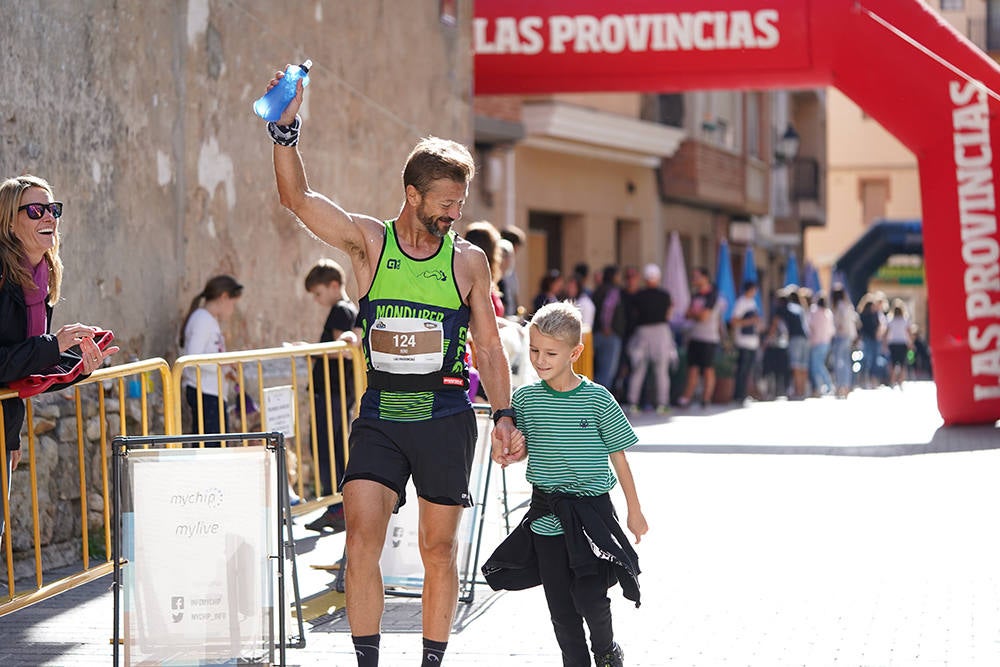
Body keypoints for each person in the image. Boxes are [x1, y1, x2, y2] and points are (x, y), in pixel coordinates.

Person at [265, 66, 518, 667]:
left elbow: (486, 347)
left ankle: (431, 659)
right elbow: (297, 199)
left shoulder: (469, 263)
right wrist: (284, 133)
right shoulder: (370, 243)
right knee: (360, 545)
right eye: (446, 203)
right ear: (413, 196)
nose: (454, 212)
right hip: (380, 415)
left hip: (447, 414)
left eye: (461, 202)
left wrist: (507, 415)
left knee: (437, 551)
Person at [482, 301, 646, 667]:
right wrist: (507, 453)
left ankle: (606, 650)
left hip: (592, 513)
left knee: (590, 596)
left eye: (550, 353)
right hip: (546, 515)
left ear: (575, 352)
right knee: (560, 606)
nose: (540, 360)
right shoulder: (524, 399)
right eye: (534, 350)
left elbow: (620, 456)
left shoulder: (598, 399)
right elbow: (520, 450)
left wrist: (634, 511)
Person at [0, 175, 119, 532]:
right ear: (9, 221)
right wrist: (55, 344)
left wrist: (81, 364)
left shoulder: (42, 276)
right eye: (35, 211)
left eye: (53, 209)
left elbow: (23, 370)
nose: (48, 218)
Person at [303, 259, 359, 534]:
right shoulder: (348, 310)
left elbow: (341, 350)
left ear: (334, 285)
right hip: (336, 391)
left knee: (325, 448)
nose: (316, 300)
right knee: (332, 446)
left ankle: (336, 507)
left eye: (317, 293)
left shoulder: (340, 310)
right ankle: (336, 506)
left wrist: (309, 350)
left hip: (332, 390)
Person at [179, 274, 243, 447]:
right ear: (223, 297)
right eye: (233, 303)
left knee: (217, 448)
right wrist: (222, 364)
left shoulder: (209, 320)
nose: (232, 310)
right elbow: (192, 358)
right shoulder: (202, 319)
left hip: (212, 393)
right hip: (205, 394)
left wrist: (226, 370)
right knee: (211, 450)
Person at [624, 263, 674, 415]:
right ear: (658, 278)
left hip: (642, 332)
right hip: (661, 332)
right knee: (662, 370)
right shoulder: (665, 295)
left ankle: (633, 403)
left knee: (638, 369)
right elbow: (669, 315)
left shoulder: (638, 295)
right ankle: (662, 404)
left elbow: (633, 315)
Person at [679, 267, 724, 408]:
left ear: (705, 278)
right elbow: (686, 314)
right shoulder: (695, 295)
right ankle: (687, 398)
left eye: (697, 276)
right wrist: (695, 315)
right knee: (692, 368)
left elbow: (704, 317)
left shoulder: (713, 295)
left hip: (709, 338)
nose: (694, 279)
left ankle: (706, 399)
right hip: (694, 336)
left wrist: (694, 314)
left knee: (708, 369)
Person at [591, 265, 626, 392]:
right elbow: (608, 308)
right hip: (609, 336)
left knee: (597, 370)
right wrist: (606, 326)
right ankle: (600, 405)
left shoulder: (598, 290)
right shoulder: (613, 290)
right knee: (606, 372)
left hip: (596, 335)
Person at [730, 280, 761, 404]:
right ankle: (738, 395)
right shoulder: (741, 302)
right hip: (743, 341)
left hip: (753, 341)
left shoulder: (752, 302)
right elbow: (734, 321)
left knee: (748, 370)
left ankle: (744, 394)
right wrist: (750, 321)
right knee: (742, 370)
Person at [830, 284, 857, 398]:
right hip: (849, 336)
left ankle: (840, 386)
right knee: (846, 362)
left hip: (841, 336)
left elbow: (840, 323)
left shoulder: (839, 306)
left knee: (838, 362)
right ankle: (846, 386)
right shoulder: (847, 305)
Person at [807, 293, 835, 396]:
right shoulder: (828, 313)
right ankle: (825, 385)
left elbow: (809, 326)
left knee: (816, 366)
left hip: (816, 342)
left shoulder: (814, 311)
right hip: (826, 342)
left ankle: (821, 387)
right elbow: (832, 330)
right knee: (820, 364)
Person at [883, 301, 913, 388]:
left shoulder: (890, 320)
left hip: (893, 343)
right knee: (903, 364)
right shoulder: (905, 320)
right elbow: (909, 332)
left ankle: (892, 381)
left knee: (892, 363)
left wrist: (884, 344)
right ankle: (900, 382)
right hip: (902, 343)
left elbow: (886, 333)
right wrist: (911, 343)